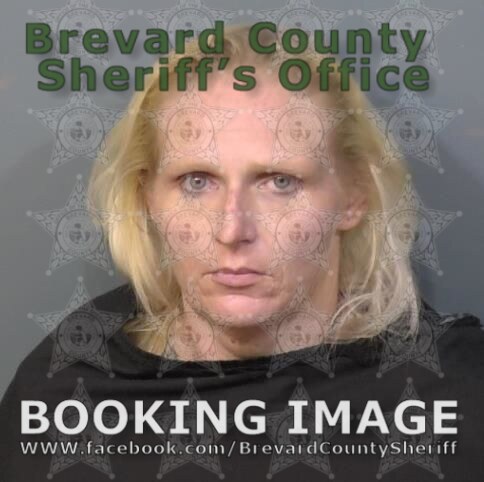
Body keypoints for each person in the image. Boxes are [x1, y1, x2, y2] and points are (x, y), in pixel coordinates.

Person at [1, 25, 483, 482]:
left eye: (280, 182)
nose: (232, 229)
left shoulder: (457, 397)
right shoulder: (65, 395)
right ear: (146, 196)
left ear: (354, 196)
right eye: (196, 182)